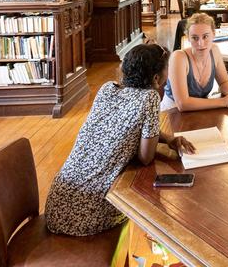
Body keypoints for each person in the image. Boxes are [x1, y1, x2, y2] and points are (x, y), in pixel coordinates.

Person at [44, 44, 195, 236]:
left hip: (57, 204)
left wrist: (168, 139)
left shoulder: (107, 88)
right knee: (141, 207)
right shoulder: (149, 97)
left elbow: (127, 127)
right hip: (86, 214)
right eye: (166, 73)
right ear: (156, 78)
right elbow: (145, 157)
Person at [162, 13, 228, 111]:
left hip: (200, 110)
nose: (200, 43)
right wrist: (225, 101)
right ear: (188, 37)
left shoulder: (214, 51)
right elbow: (183, 104)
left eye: (205, 36)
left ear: (213, 34)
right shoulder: (179, 57)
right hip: (171, 112)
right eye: (195, 38)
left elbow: (224, 82)